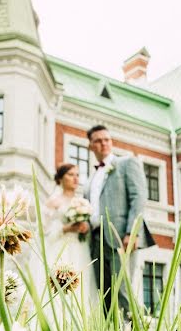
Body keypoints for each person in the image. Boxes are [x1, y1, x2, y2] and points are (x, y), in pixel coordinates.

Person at [84, 125, 155, 318]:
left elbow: (138, 198)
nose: (104, 143)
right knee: (105, 294)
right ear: (91, 146)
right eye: (98, 140)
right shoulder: (90, 180)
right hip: (96, 241)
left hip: (120, 237)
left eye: (107, 139)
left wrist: (132, 233)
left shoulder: (126, 163)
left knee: (122, 290)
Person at [41, 163, 97, 304]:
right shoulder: (53, 202)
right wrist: (66, 228)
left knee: (81, 284)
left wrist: (85, 227)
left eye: (77, 175)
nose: (75, 178)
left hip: (79, 248)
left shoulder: (82, 202)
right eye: (71, 175)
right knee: (59, 285)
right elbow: (44, 231)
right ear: (60, 179)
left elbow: (89, 225)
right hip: (60, 248)